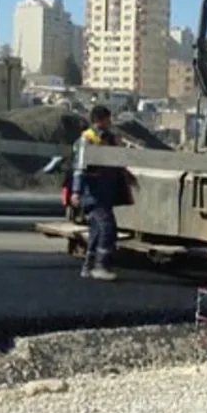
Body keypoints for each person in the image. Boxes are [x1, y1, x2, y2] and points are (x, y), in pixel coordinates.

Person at [69, 105, 134, 281]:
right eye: (107, 119)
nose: (109, 122)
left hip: (105, 192)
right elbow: (79, 168)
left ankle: (88, 266)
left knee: (97, 230)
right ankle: (100, 266)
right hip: (93, 193)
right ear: (99, 120)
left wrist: (127, 175)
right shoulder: (87, 139)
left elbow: (117, 160)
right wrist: (76, 192)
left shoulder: (109, 138)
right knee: (107, 228)